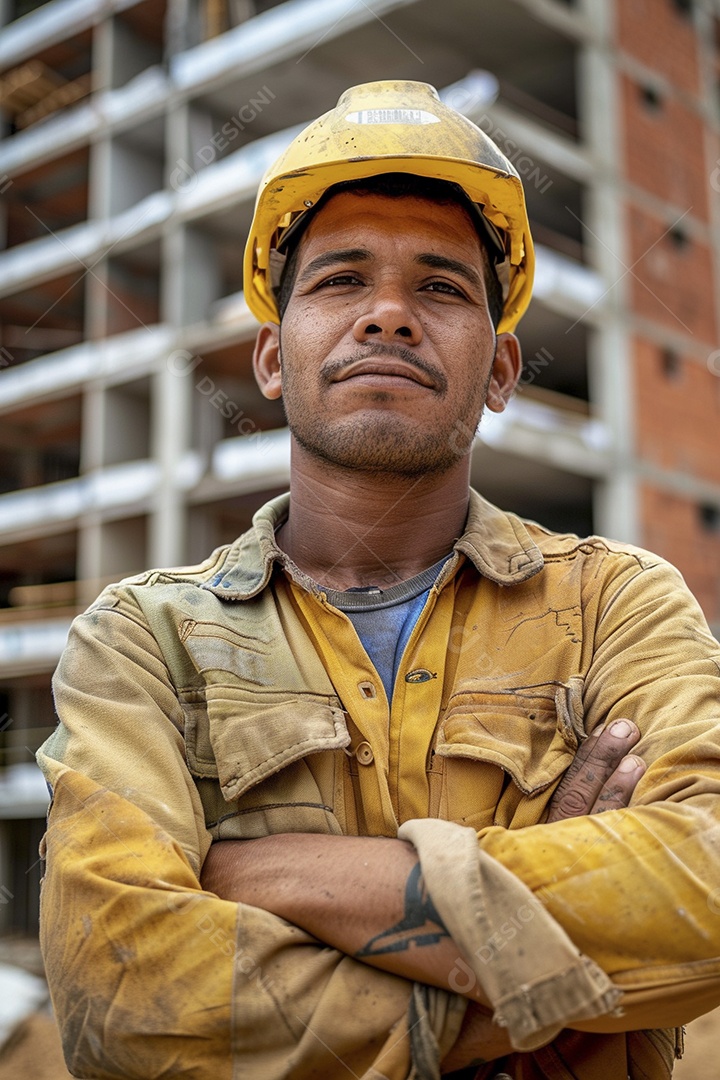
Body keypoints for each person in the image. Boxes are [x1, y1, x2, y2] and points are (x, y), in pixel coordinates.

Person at [36, 80, 720, 1080]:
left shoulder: (616, 605)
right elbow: (126, 994)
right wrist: (533, 991)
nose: (389, 316)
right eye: (341, 280)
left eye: (442, 287)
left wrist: (262, 876)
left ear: (500, 370)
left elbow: (704, 889)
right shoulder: (143, 642)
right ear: (273, 355)